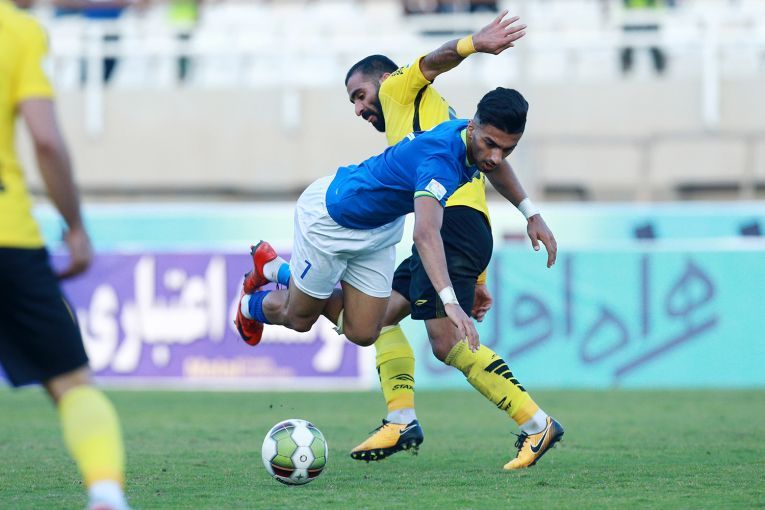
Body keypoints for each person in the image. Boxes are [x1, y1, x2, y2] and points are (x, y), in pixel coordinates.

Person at [235, 86, 564, 470]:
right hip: (330, 220)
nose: (495, 157)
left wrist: (530, 212)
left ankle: (275, 269)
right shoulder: (440, 161)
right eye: (490, 144)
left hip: (378, 230)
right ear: (473, 126)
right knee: (299, 317)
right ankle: (251, 302)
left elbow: (495, 164)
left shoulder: (472, 140)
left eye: (506, 149)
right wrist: (451, 301)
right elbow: (425, 234)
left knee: (364, 331)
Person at [340, 10, 560, 470]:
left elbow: (435, 59)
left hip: (450, 228)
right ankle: (400, 418)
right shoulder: (453, 124)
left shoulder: (398, 88)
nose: (359, 108)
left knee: (446, 342)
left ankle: (537, 424)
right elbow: (490, 168)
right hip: (461, 231)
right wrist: (525, 216)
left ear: (384, 80)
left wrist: (474, 43)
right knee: (377, 317)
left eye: (361, 95)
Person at [0, 2, 130, 509]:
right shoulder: (17, 31)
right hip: (9, 236)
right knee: (72, 383)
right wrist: (74, 226)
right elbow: (46, 141)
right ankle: (106, 494)